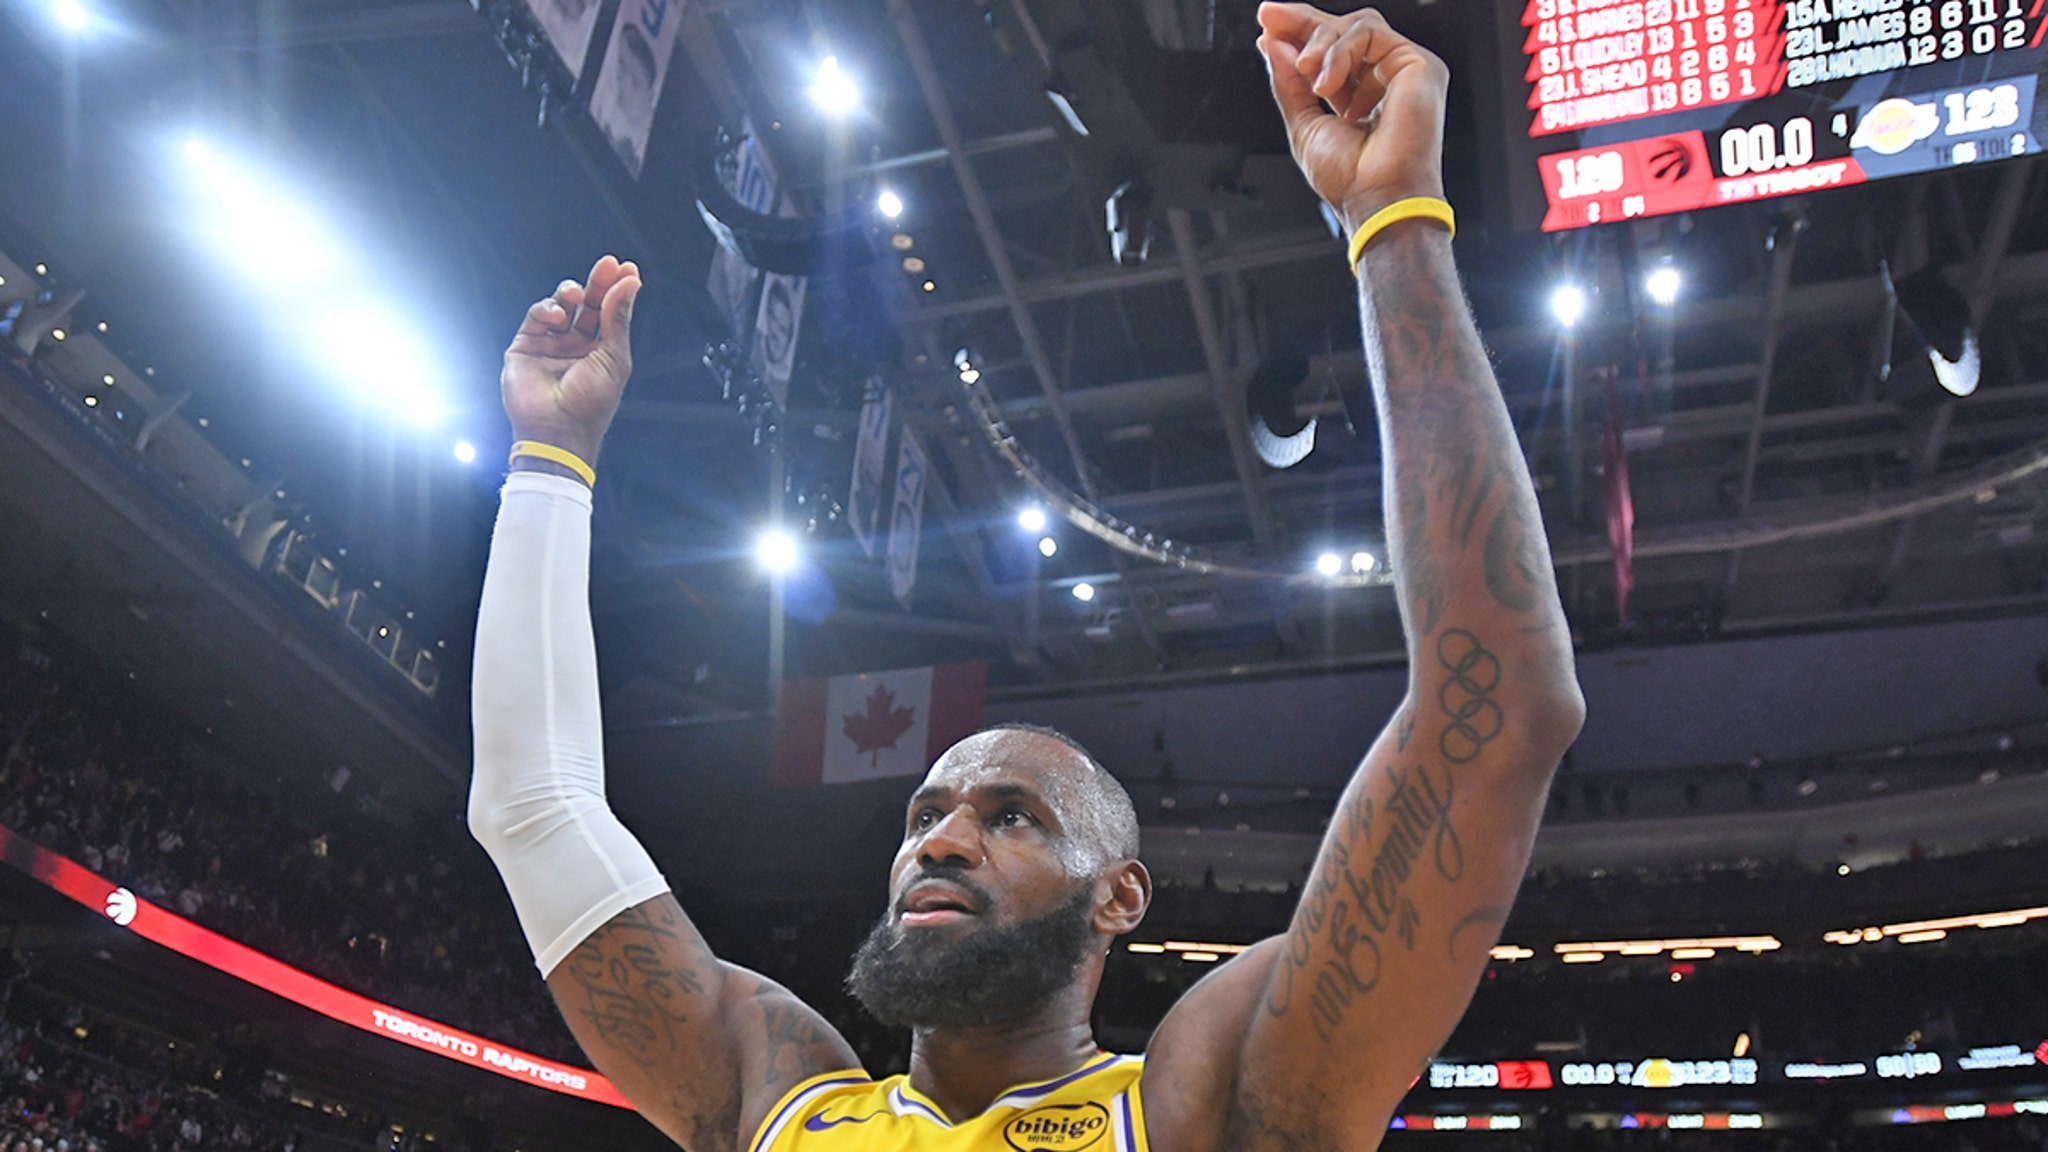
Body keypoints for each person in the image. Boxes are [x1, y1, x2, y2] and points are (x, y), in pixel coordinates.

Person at [467, 4, 1585, 1151]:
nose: (940, 841)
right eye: (925, 814)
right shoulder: (774, 1097)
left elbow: (1494, 708)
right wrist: (549, 462)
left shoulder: (1198, 1105)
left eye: (1012, 818)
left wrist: (1393, 219)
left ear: (1118, 896)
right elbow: (533, 808)